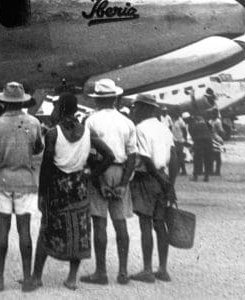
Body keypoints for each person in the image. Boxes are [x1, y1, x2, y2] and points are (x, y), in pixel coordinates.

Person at [28, 93, 114, 291]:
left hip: (58, 187)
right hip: (80, 186)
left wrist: (42, 194)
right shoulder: (86, 132)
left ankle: (36, 277)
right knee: (79, 230)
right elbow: (109, 155)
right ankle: (72, 278)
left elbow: (47, 167)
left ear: (60, 109)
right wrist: (91, 173)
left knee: (47, 229)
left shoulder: (53, 134)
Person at [0, 82, 44, 291]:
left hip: (2, 178)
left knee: (2, 230)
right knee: (24, 230)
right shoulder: (34, 122)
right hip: (25, 180)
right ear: (23, 101)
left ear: (3, 101)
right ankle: (28, 279)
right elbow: (38, 149)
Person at [81, 79, 137, 286]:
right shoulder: (127, 122)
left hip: (99, 170)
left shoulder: (90, 121)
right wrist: (123, 183)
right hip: (120, 170)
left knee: (100, 223)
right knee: (120, 223)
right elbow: (132, 156)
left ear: (97, 100)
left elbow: (89, 153)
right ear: (115, 98)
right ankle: (123, 272)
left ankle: (101, 272)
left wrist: (98, 181)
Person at [129, 94, 178, 283]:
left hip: (147, 179)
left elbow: (146, 159)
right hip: (164, 177)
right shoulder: (164, 128)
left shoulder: (140, 128)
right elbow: (174, 157)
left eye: (136, 107)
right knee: (160, 224)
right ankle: (163, 269)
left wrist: (160, 179)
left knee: (146, 224)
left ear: (143, 108)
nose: (134, 110)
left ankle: (147, 270)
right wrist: (169, 184)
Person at [187, 112, 213, 182]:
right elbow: (210, 127)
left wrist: (193, 146)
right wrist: (208, 135)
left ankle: (195, 176)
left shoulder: (190, 124)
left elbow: (193, 136)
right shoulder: (202, 119)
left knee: (197, 159)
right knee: (207, 158)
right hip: (208, 140)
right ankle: (206, 177)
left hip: (199, 141)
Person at [171, 111, 189, 176]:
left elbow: (184, 130)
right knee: (178, 156)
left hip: (180, 140)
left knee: (179, 156)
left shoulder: (180, 122)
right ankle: (182, 170)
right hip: (175, 140)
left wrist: (185, 138)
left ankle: (182, 170)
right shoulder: (174, 121)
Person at [208, 109, 225, 176]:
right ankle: (211, 170)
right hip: (211, 139)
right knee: (211, 156)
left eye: (213, 113)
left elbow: (221, 131)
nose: (212, 115)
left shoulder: (217, 121)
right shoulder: (210, 121)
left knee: (217, 156)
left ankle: (217, 171)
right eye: (211, 113)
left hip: (216, 139)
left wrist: (220, 138)